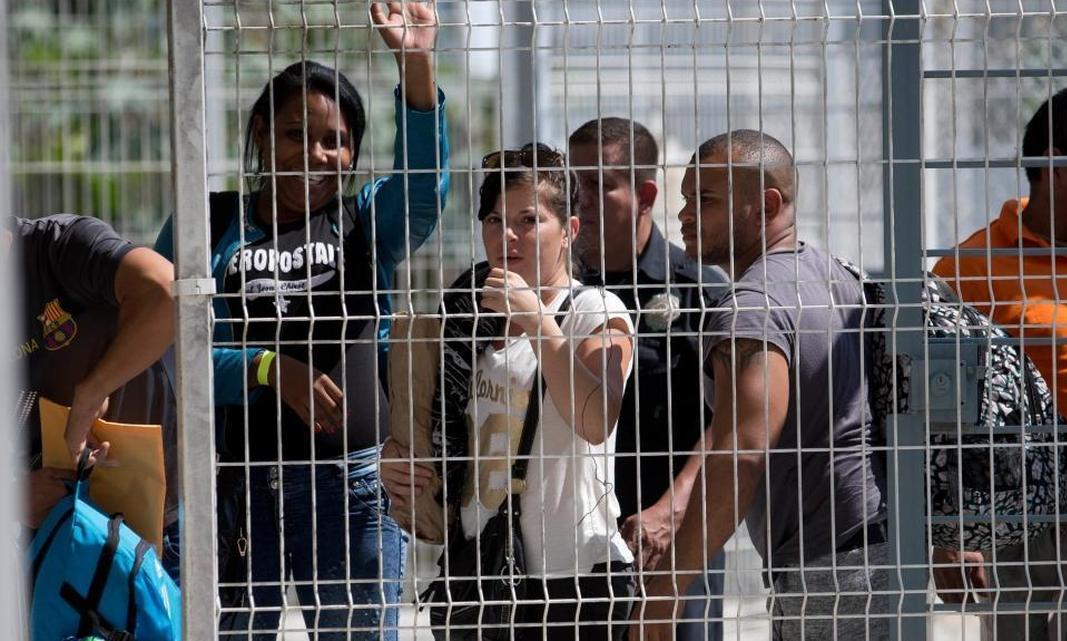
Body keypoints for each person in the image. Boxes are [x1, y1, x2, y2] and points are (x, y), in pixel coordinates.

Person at [154, 3, 449, 639]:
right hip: (235, 489)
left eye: (335, 141)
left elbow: (423, 189)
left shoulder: (366, 223)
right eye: (296, 134)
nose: (315, 154)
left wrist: (416, 62)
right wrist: (265, 369)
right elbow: (165, 344)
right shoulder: (207, 224)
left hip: (353, 491)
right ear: (262, 133)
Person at [632, 130, 889, 641]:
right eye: (685, 198)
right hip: (877, 550)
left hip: (830, 571)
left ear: (765, 204)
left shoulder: (751, 307)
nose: (684, 215)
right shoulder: (836, 277)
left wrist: (668, 591)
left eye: (705, 200)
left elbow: (741, 453)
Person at [382, 143, 637, 640]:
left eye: (529, 219)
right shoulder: (467, 321)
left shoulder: (595, 311)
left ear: (569, 232)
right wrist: (402, 462)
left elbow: (596, 418)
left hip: (572, 579)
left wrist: (538, 320)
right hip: (479, 573)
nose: (509, 235)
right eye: (495, 220)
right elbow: (450, 438)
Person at [932, 86, 1067, 640]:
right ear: (1055, 167)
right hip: (1033, 524)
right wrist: (946, 533)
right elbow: (925, 413)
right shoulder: (973, 270)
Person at [568, 118, 727, 641]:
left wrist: (672, 508)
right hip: (570, 545)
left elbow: (733, 421)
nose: (580, 200)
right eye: (572, 184)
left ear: (645, 194)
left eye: (599, 184)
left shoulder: (698, 289)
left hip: (671, 543)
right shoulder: (554, 295)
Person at [10, 213, 175, 528]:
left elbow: (166, 291)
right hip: (46, 528)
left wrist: (92, 391)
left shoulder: (61, 246)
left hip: (151, 515)